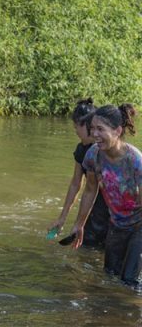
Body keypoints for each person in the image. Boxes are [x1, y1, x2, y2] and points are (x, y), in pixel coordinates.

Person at [71, 103, 142, 287]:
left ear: (117, 131)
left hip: (139, 227)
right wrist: (79, 224)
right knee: (110, 276)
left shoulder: (135, 161)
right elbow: (90, 189)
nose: (94, 134)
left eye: (100, 129)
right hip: (116, 225)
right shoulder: (93, 155)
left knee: (129, 281)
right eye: (92, 128)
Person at [48, 98, 109, 247]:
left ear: (87, 125)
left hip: (107, 206)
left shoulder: (103, 148)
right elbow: (76, 183)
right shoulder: (81, 150)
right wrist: (62, 217)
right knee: (86, 248)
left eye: (76, 126)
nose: (75, 130)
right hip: (90, 207)